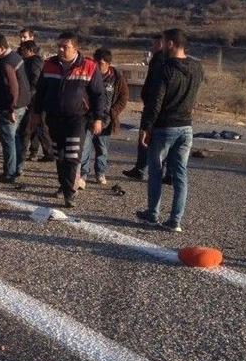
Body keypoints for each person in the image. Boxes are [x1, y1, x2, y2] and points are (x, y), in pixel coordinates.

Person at [135, 29, 204, 232]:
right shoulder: (197, 67)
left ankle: (152, 214)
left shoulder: (164, 68)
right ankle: (175, 219)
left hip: (165, 126)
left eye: (164, 43)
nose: (162, 46)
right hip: (186, 126)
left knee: (156, 171)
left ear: (171, 44)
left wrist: (146, 127)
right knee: (180, 173)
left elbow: (155, 102)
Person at [32, 31, 105, 208]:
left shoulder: (88, 66)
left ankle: (70, 193)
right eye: (59, 46)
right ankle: (64, 185)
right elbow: (40, 92)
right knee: (59, 155)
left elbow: (98, 95)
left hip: (77, 119)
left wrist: (98, 118)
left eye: (66, 47)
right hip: (54, 118)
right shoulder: (49, 65)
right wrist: (36, 113)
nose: (61, 49)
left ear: (76, 48)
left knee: (73, 155)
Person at [80, 48, 129, 186]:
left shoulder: (117, 78)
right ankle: (83, 175)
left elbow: (123, 97)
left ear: (108, 63)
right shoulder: (89, 75)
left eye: (100, 63)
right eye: (96, 62)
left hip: (106, 120)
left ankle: (100, 173)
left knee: (102, 148)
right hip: (89, 117)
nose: (97, 65)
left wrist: (113, 112)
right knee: (85, 148)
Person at [0, 33, 30, 183]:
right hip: (21, 104)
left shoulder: (5, 63)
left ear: (1, 48)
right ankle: (17, 169)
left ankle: (9, 173)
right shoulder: (15, 57)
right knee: (15, 138)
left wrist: (10, 109)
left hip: (10, 107)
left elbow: (13, 88)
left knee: (7, 139)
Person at [123, 38, 166, 182]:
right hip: (160, 108)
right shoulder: (163, 60)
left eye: (155, 44)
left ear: (162, 44)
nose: (152, 47)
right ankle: (159, 172)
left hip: (154, 107)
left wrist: (148, 100)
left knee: (146, 138)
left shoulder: (159, 60)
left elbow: (155, 88)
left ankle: (142, 169)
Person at [18, 41, 52, 164]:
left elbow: (35, 81)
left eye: (23, 49)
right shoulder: (29, 61)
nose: (21, 52)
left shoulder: (35, 62)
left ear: (29, 50)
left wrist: (28, 97)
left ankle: (48, 152)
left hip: (35, 99)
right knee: (37, 127)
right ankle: (48, 153)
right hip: (34, 98)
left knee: (34, 127)